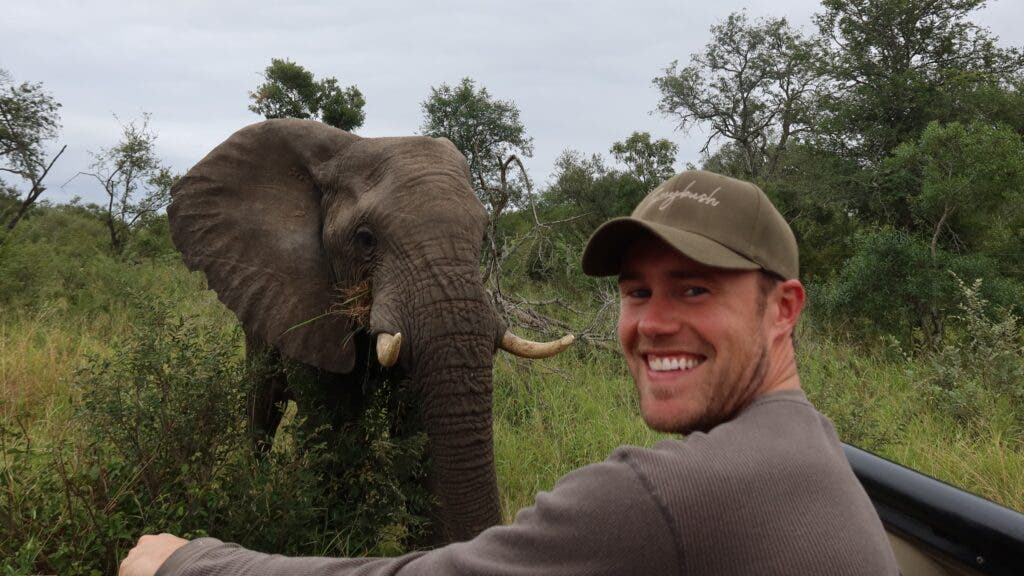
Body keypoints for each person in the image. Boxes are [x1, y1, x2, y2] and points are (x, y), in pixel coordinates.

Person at [120, 169, 899, 576]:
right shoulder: (812, 445)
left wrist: (191, 561)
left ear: (784, 308)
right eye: (637, 291)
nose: (654, 320)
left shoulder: (666, 494)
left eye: (696, 288)